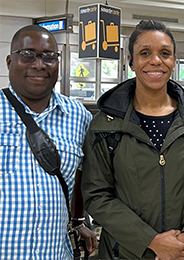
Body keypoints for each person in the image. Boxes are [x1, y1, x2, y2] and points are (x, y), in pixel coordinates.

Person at [81, 20, 184, 260]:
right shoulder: (105, 126)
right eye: (145, 53)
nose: (156, 61)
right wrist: (151, 241)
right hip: (124, 254)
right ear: (131, 60)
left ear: (174, 60)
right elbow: (97, 196)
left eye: (165, 53)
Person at [0, 25, 96, 259]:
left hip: (55, 253)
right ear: (10, 61)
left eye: (49, 57)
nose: (39, 64)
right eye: (28, 54)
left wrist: (78, 221)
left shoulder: (79, 116)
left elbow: (80, 174)